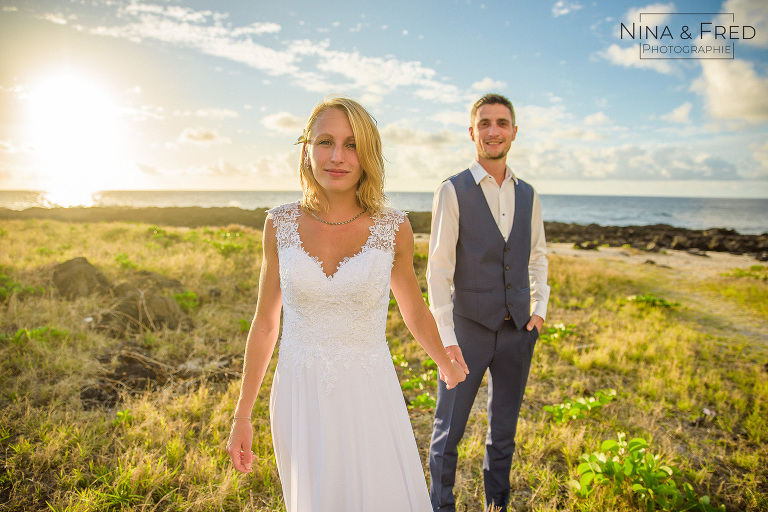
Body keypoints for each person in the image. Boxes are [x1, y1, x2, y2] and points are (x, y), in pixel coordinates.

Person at [226, 96, 468, 512]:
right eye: (325, 142)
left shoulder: (394, 228)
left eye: (352, 145)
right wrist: (241, 415)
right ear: (307, 149)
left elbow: (412, 307)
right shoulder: (278, 225)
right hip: (299, 396)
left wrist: (443, 359)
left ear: (368, 154)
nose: (337, 157)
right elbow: (266, 322)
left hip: (368, 391)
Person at [427, 93, 550, 512]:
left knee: (504, 431)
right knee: (449, 431)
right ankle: (441, 507)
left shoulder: (529, 194)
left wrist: (539, 310)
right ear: (472, 132)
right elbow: (438, 271)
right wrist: (446, 338)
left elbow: (537, 256)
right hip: (467, 332)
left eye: (501, 122)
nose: (493, 130)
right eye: (485, 123)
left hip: (518, 331)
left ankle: (497, 503)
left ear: (514, 131)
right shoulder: (452, 190)